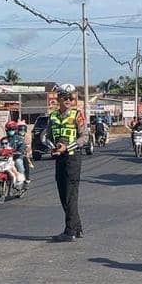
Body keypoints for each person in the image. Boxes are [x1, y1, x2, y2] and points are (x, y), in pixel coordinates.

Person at [45, 84, 89, 242]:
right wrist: (53, 148)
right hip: (59, 158)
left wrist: (66, 148)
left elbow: (84, 137)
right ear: (59, 99)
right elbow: (47, 137)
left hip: (72, 158)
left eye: (72, 98)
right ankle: (77, 228)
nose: (70, 100)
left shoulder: (77, 115)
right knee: (63, 194)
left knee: (71, 194)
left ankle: (69, 231)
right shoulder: (53, 116)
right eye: (66, 98)